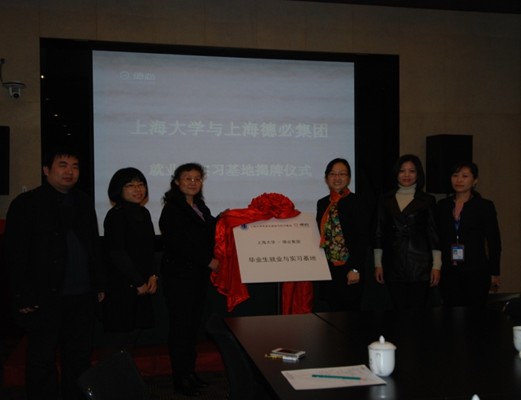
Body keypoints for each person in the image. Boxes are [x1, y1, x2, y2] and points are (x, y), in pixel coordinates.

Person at [3, 145, 106, 400]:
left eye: (75, 166)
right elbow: (15, 254)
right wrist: (22, 295)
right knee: (41, 358)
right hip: (43, 296)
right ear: (46, 170)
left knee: (79, 356)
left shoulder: (83, 201)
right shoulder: (26, 203)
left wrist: (98, 284)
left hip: (82, 296)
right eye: (63, 165)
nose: (69, 171)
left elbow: (93, 246)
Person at [159, 163, 219, 397]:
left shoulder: (199, 206)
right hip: (179, 279)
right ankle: (180, 378)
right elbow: (180, 244)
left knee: (192, 328)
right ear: (177, 182)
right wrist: (208, 261)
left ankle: (189, 372)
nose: (193, 182)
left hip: (196, 279)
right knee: (181, 329)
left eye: (197, 178)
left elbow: (211, 229)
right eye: (187, 178)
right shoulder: (172, 209)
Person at [101, 167, 158, 355]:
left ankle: (124, 371)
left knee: (133, 333)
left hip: (142, 282)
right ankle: (111, 373)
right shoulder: (115, 215)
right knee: (118, 337)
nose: (137, 189)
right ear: (119, 189)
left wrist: (153, 275)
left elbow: (149, 249)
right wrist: (138, 281)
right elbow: (117, 252)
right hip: (122, 284)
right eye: (130, 185)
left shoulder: (144, 213)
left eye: (141, 184)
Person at [373, 154, 441, 310]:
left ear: (418, 174)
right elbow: (378, 233)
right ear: (396, 173)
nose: (406, 175)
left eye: (412, 171)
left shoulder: (428, 200)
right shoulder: (385, 199)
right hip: (393, 263)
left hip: (420, 264)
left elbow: (434, 235)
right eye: (402, 171)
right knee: (398, 311)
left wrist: (437, 266)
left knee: (417, 312)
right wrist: (378, 264)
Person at [437, 161, 501, 309]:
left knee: (475, 314)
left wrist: (495, 272)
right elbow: (438, 238)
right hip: (448, 270)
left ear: (475, 181)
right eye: (455, 175)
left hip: (476, 270)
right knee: (451, 313)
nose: (459, 180)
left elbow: (494, 241)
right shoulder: (442, 205)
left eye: (465, 176)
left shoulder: (484, 206)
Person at [316, 158, 370, 311]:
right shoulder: (322, 203)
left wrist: (355, 269)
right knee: (331, 314)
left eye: (342, 174)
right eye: (333, 174)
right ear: (326, 178)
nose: (337, 178)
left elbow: (363, 238)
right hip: (329, 269)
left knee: (350, 315)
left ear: (349, 178)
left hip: (350, 268)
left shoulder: (358, 202)